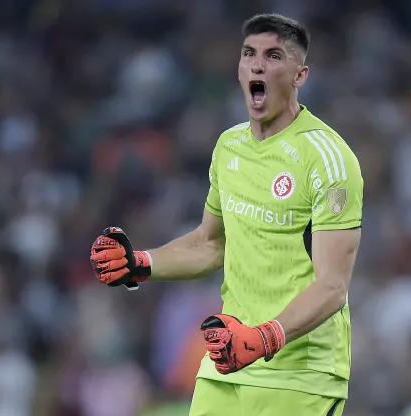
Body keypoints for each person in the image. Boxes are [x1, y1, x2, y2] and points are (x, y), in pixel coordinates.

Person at [90, 13, 363, 416]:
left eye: (273, 56)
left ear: (300, 75)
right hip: (227, 364)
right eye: (249, 54)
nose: (257, 64)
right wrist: (140, 263)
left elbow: (333, 286)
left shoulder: (327, 158)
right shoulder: (229, 147)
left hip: (299, 372)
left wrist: (264, 338)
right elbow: (210, 244)